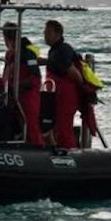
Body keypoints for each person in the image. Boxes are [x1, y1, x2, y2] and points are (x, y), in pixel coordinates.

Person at [42, 19, 84, 148]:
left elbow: (76, 75)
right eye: (45, 32)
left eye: (48, 33)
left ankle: (70, 154)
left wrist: (80, 90)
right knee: (55, 127)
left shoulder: (63, 50)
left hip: (66, 96)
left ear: (58, 35)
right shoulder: (54, 51)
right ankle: (57, 150)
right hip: (56, 96)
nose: (45, 35)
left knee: (64, 129)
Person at [0, 22, 43, 145]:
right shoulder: (10, 54)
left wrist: (18, 87)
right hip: (13, 95)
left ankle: (37, 148)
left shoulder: (26, 53)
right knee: (15, 121)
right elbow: (6, 75)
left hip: (27, 95)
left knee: (30, 124)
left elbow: (35, 77)